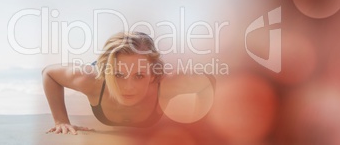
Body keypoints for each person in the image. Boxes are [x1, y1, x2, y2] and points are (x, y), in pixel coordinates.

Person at [42, 31, 215, 134]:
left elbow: (208, 81)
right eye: (118, 75)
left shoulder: (166, 83)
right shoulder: (91, 79)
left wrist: (202, 123)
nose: (128, 87)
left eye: (139, 76)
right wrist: (60, 121)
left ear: (153, 75)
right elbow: (49, 73)